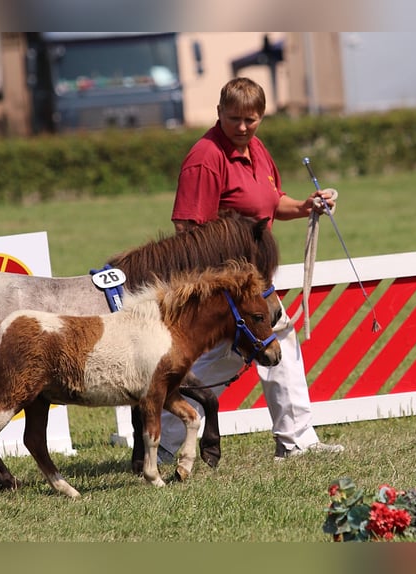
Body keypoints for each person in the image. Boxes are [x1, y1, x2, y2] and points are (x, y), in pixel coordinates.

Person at [159, 77, 345, 461]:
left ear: (262, 117)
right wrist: (219, 288)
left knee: (248, 348)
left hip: (252, 281)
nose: (242, 127)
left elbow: (273, 203)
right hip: (225, 283)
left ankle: (165, 441)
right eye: (234, 119)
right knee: (260, 343)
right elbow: (188, 231)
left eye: (251, 119)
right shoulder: (205, 157)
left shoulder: (257, 150)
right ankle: (164, 440)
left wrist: (310, 205)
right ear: (218, 113)